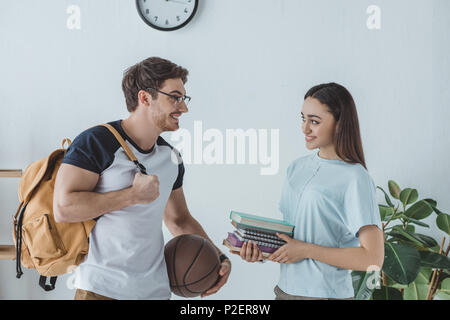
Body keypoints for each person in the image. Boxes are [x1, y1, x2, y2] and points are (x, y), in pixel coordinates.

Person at [53, 57, 231, 300]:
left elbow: (179, 219)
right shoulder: (96, 142)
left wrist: (219, 258)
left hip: (154, 292)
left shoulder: (171, 158)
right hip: (100, 290)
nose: (184, 108)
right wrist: (132, 196)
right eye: (175, 97)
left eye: (184, 98)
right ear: (145, 98)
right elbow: (64, 208)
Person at [233, 83, 384, 300]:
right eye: (303, 118)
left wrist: (306, 250)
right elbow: (294, 238)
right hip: (285, 292)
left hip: (326, 295)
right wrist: (261, 251)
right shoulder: (296, 168)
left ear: (340, 124)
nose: (305, 129)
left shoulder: (355, 177)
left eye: (314, 121)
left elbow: (373, 258)